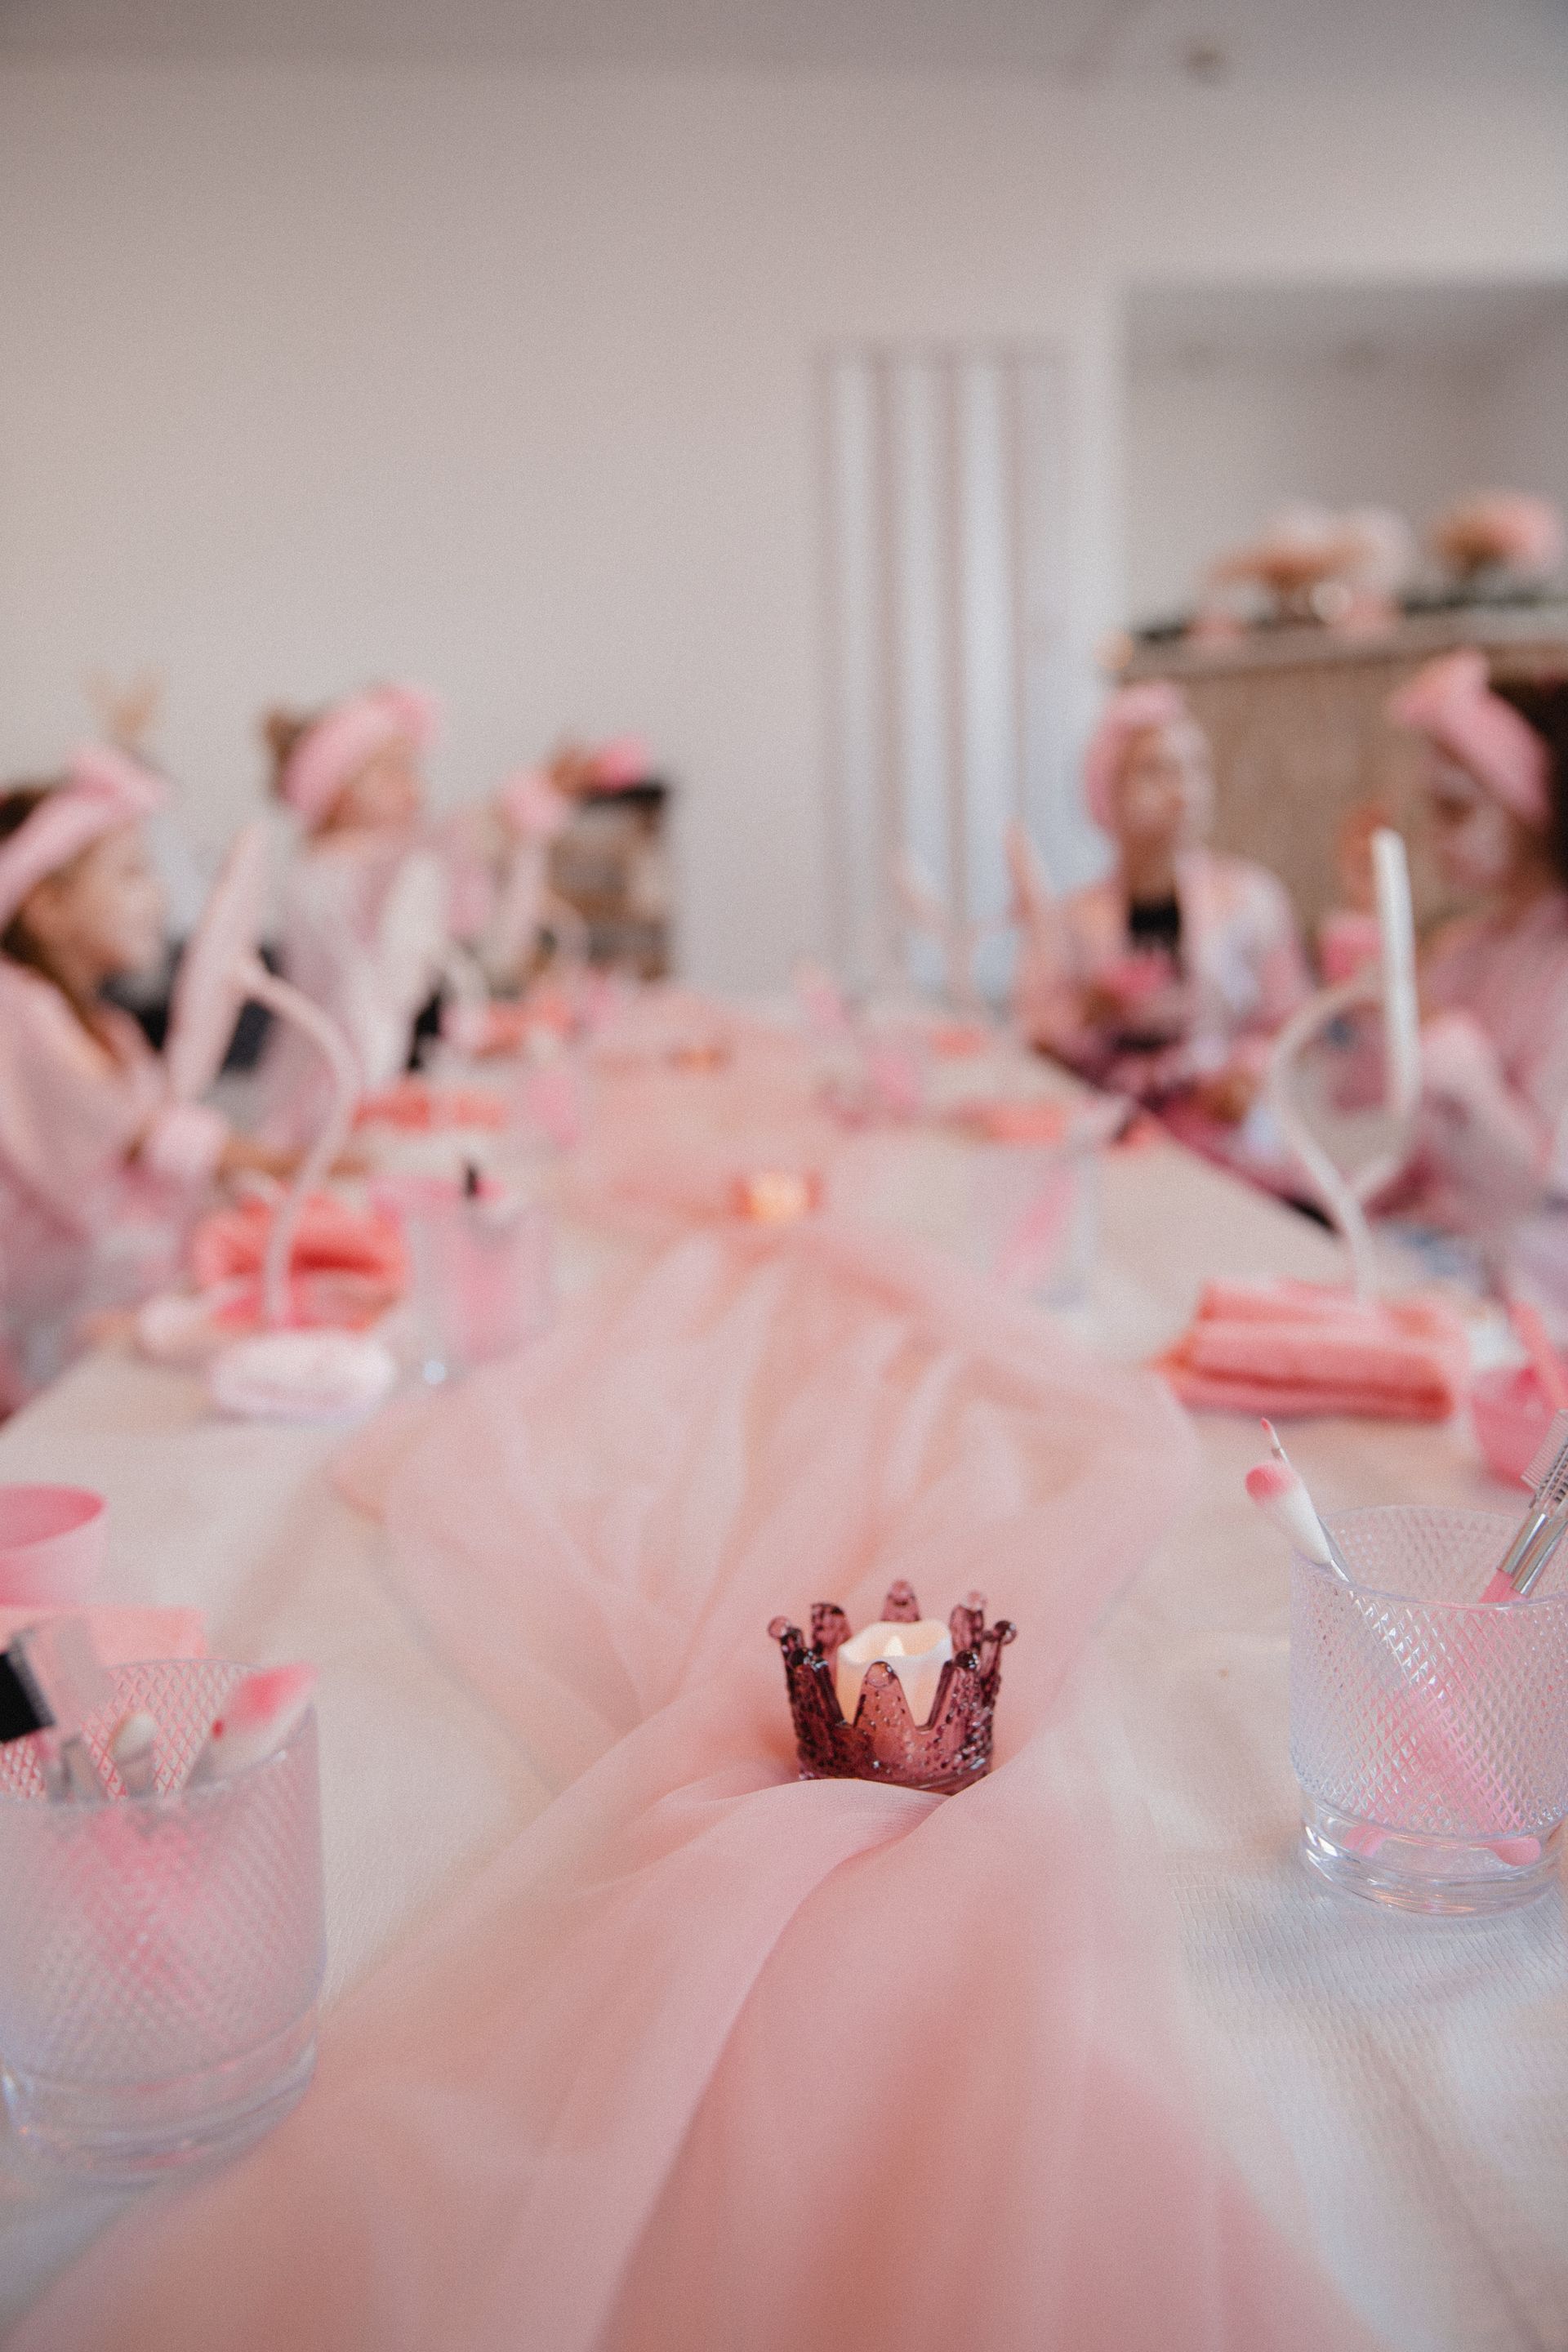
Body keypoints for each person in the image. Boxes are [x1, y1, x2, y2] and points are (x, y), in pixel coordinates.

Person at [0, 748, 257, 1400]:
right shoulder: (17, 1008)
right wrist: (294, 1160)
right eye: (132, 875)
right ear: (47, 906)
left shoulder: (110, 1029)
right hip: (41, 1338)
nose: (160, 897)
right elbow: (135, 1135)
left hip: (96, 1315)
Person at [1015, 680, 1309, 1177]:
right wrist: (1089, 1013)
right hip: (1108, 1147)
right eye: (1155, 771)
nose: (1182, 789)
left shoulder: (1251, 899)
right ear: (1107, 789)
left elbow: (1291, 1020)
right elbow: (1035, 1042)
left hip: (1228, 1146)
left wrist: (1249, 1072)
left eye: (1194, 768)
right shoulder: (1074, 919)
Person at [1384, 651, 1568, 1260]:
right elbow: (1385, 1130)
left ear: (1529, 809)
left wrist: (1437, 1031)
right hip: (1434, 1248)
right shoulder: (1460, 952)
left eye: (1456, 810)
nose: (1434, 836)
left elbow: (1537, 1186)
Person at [258, 684, 452, 1143]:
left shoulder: (342, 869)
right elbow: (359, 1003)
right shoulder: (338, 873)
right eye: (393, 771)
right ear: (340, 791)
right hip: (332, 1095)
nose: (415, 788)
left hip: (354, 1082)